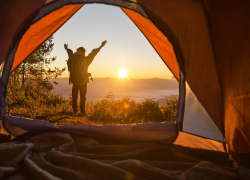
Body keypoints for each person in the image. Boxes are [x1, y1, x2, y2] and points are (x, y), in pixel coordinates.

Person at [64, 41, 107, 116]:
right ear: (83, 52)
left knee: (74, 97)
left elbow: (70, 52)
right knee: (82, 97)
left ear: (77, 51)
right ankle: (82, 112)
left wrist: (66, 48)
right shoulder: (86, 60)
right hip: (83, 82)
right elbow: (94, 53)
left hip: (74, 81)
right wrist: (101, 46)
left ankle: (75, 111)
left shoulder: (72, 57)